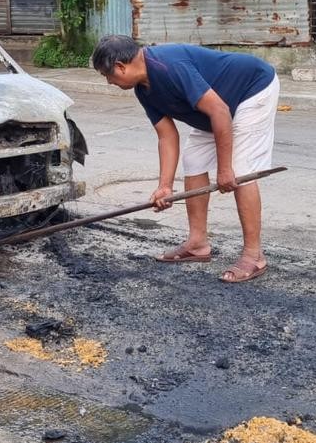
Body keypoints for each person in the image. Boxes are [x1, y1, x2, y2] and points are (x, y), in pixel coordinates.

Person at [92, 35, 280, 283]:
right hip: (213, 109)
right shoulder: (144, 90)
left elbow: (220, 110)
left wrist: (225, 170)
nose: (109, 82)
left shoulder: (168, 66)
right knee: (194, 160)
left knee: (241, 170)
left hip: (250, 90)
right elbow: (167, 137)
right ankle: (197, 243)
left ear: (120, 67)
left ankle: (253, 255)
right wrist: (164, 186)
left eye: (109, 77)